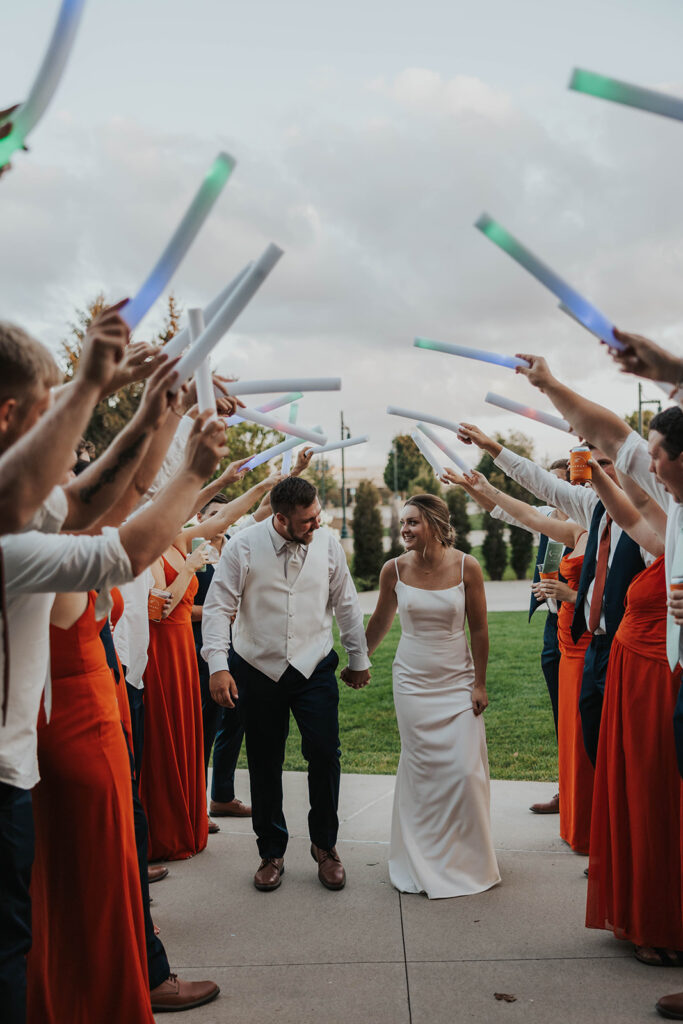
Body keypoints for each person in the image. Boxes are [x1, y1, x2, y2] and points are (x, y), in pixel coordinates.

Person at [203, 476, 371, 892]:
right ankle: (271, 851)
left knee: (324, 754)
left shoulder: (328, 543)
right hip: (256, 668)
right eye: (308, 521)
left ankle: (325, 846)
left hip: (313, 666)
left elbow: (346, 602)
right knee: (263, 760)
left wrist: (358, 657)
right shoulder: (243, 544)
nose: (317, 525)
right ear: (280, 518)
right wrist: (218, 666)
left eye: (318, 516)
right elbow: (219, 605)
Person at [459, 416, 645, 766]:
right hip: (590, 645)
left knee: (626, 752)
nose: (597, 474)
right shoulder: (593, 509)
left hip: (627, 646)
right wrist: (491, 448)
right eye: (593, 466)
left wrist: (573, 596)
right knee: (593, 746)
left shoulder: (646, 516)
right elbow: (537, 490)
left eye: (605, 464)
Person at [365, 493, 499, 898]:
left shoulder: (466, 566)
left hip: (457, 679)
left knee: (464, 770)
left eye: (412, 523)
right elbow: (380, 622)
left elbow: (479, 629)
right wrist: (358, 660)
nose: (403, 530)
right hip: (411, 681)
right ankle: (421, 856)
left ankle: (467, 857)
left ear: (436, 525)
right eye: (402, 522)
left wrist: (479, 682)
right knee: (422, 772)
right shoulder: (394, 569)